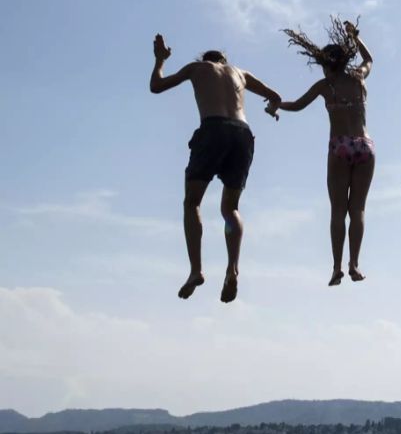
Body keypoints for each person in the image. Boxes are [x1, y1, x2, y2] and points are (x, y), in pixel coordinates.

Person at [149, 34, 281, 303]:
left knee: (192, 203)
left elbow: (156, 86)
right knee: (230, 208)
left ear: (205, 60)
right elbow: (275, 96)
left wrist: (160, 60)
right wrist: (271, 108)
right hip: (243, 134)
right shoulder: (240, 73)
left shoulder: (196, 68)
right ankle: (232, 268)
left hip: (213, 131)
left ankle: (196, 270)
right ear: (224, 62)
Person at [267, 18, 374, 286]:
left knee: (338, 210)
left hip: (339, 147)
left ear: (326, 65)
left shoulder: (326, 87)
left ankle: (337, 267)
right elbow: (369, 58)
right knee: (357, 210)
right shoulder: (359, 77)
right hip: (364, 145)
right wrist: (355, 37)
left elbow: (298, 105)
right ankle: (355, 265)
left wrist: (276, 106)